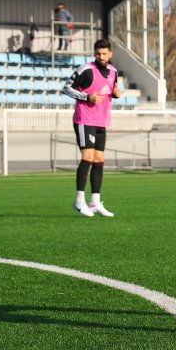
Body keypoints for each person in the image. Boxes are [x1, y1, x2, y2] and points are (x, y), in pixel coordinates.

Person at [62, 38, 121, 216]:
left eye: (104, 53)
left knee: (99, 160)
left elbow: (113, 89)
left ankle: (95, 202)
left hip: (102, 121)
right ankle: (79, 201)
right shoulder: (86, 70)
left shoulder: (113, 71)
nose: (101, 56)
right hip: (84, 119)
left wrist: (116, 94)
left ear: (110, 54)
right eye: (98, 53)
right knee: (87, 157)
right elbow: (66, 88)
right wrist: (87, 97)